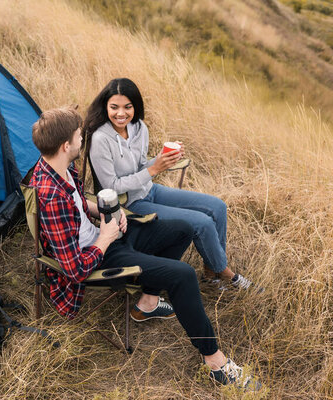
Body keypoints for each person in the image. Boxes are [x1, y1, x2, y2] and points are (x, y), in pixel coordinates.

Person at [29, 106, 260, 388]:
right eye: (78, 136)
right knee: (183, 275)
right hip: (98, 257)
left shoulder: (58, 166)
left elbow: (78, 202)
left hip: (106, 235)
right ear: (66, 145)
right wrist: (105, 237)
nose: (81, 140)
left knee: (184, 228)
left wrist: (109, 213)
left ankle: (147, 303)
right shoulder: (50, 195)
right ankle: (215, 362)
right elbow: (74, 269)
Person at [84, 78, 258, 291]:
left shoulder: (139, 128)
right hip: (129, 203)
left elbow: (140, 167)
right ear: (105, 107)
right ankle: (225, 272)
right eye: (114, 107)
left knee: (217, 207)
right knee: (202, 223)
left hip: (150, 190)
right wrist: (154, 169)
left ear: (135, 107)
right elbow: (111, 184)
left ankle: (210, 272)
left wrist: (163, 160)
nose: (121, 113)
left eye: (127, 107)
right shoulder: (101, 139)